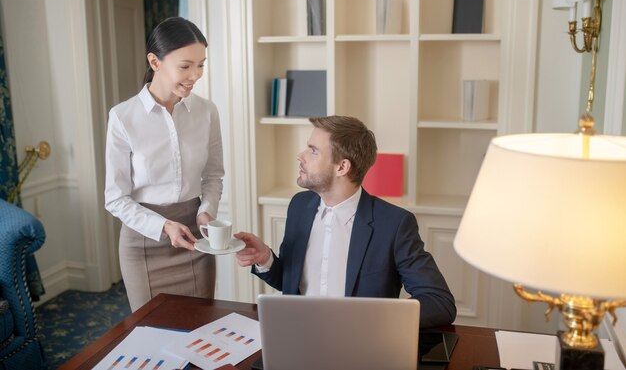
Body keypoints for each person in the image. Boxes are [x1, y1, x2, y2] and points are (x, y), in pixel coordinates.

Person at [235, 115, 457, 328]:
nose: (300, 155)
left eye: (313, 151)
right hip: (299, 335)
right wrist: (265, 259)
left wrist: (371, 322)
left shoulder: (394, 224)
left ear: (342, 167)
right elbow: (291, 285)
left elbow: (439, 301)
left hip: (359, 346)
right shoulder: (300, 206)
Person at [104, 17, 224, 312]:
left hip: (195, 240)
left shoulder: (206, 112)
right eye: (185, 66)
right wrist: (163, 226)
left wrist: (206, 211)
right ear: (154, 62)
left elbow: (213, 176)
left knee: (200, 327)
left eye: (201, 65)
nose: (195, 75)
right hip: (144, 243)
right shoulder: (123, 117)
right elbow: (115, 198)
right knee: (151, 333)